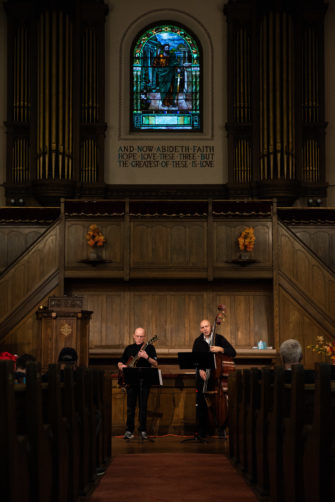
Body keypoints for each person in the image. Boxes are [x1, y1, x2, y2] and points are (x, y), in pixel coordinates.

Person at [192, 319, 236, 438]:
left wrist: (220, 349)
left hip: (217, 380)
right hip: (203, 377)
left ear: (211, 327)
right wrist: (200, 369)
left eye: (206, 326)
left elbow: (233, 352)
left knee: (220, 405)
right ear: (200, 329)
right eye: (202, 327)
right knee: (201, 403)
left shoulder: (220, 339)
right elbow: (195, 360)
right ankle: (202, 431)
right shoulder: (197, 342)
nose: (205, 329)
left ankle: (221, 428)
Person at [118, 327, 158, 440]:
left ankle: (143, 430)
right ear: (133, 336)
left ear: (145, 337)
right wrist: (122, 366)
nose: (139, 338)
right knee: (130, 407)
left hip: (145, 382)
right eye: (137, 336)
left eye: (141, 336)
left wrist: (147, 357)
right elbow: (120, 362)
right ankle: (129, 430)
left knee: (143, 407)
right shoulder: (129, 348)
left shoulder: (150, 348)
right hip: (130, 382)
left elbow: (155, 363)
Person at [152, 43, 180, 108]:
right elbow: (154, 65)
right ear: (164, 49)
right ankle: (163, 102)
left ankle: (172, 102)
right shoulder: (159, 56)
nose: (167, 49)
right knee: (163, 89)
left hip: (171, 74)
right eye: (166, 48)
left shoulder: (172, 56)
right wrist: (159, 71)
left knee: (172, 89)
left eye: (168, 48)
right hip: (162, 75)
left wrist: (177, 68)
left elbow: (175, 63)